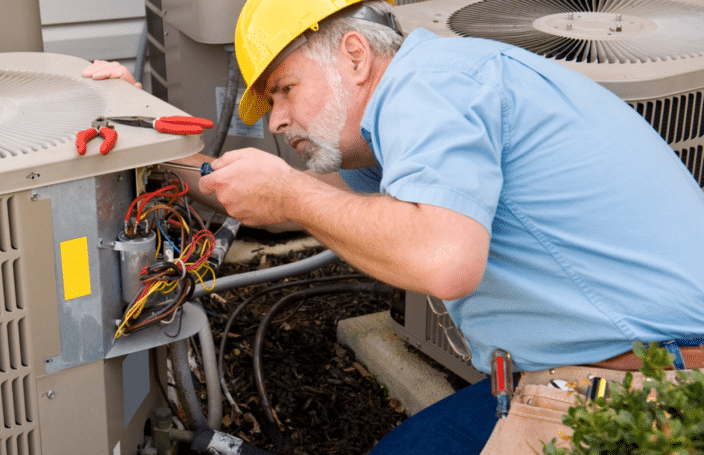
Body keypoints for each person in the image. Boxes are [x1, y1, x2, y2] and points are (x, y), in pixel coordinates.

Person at [84, 0, 704, 453]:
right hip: (592, 362)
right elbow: (283, 192)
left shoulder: (430, 88)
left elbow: (442, 259)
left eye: (284, 90)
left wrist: (291, 193)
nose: (276, 121)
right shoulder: (420, 97)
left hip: (650, 380)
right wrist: (145, 132)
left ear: (354, 55)